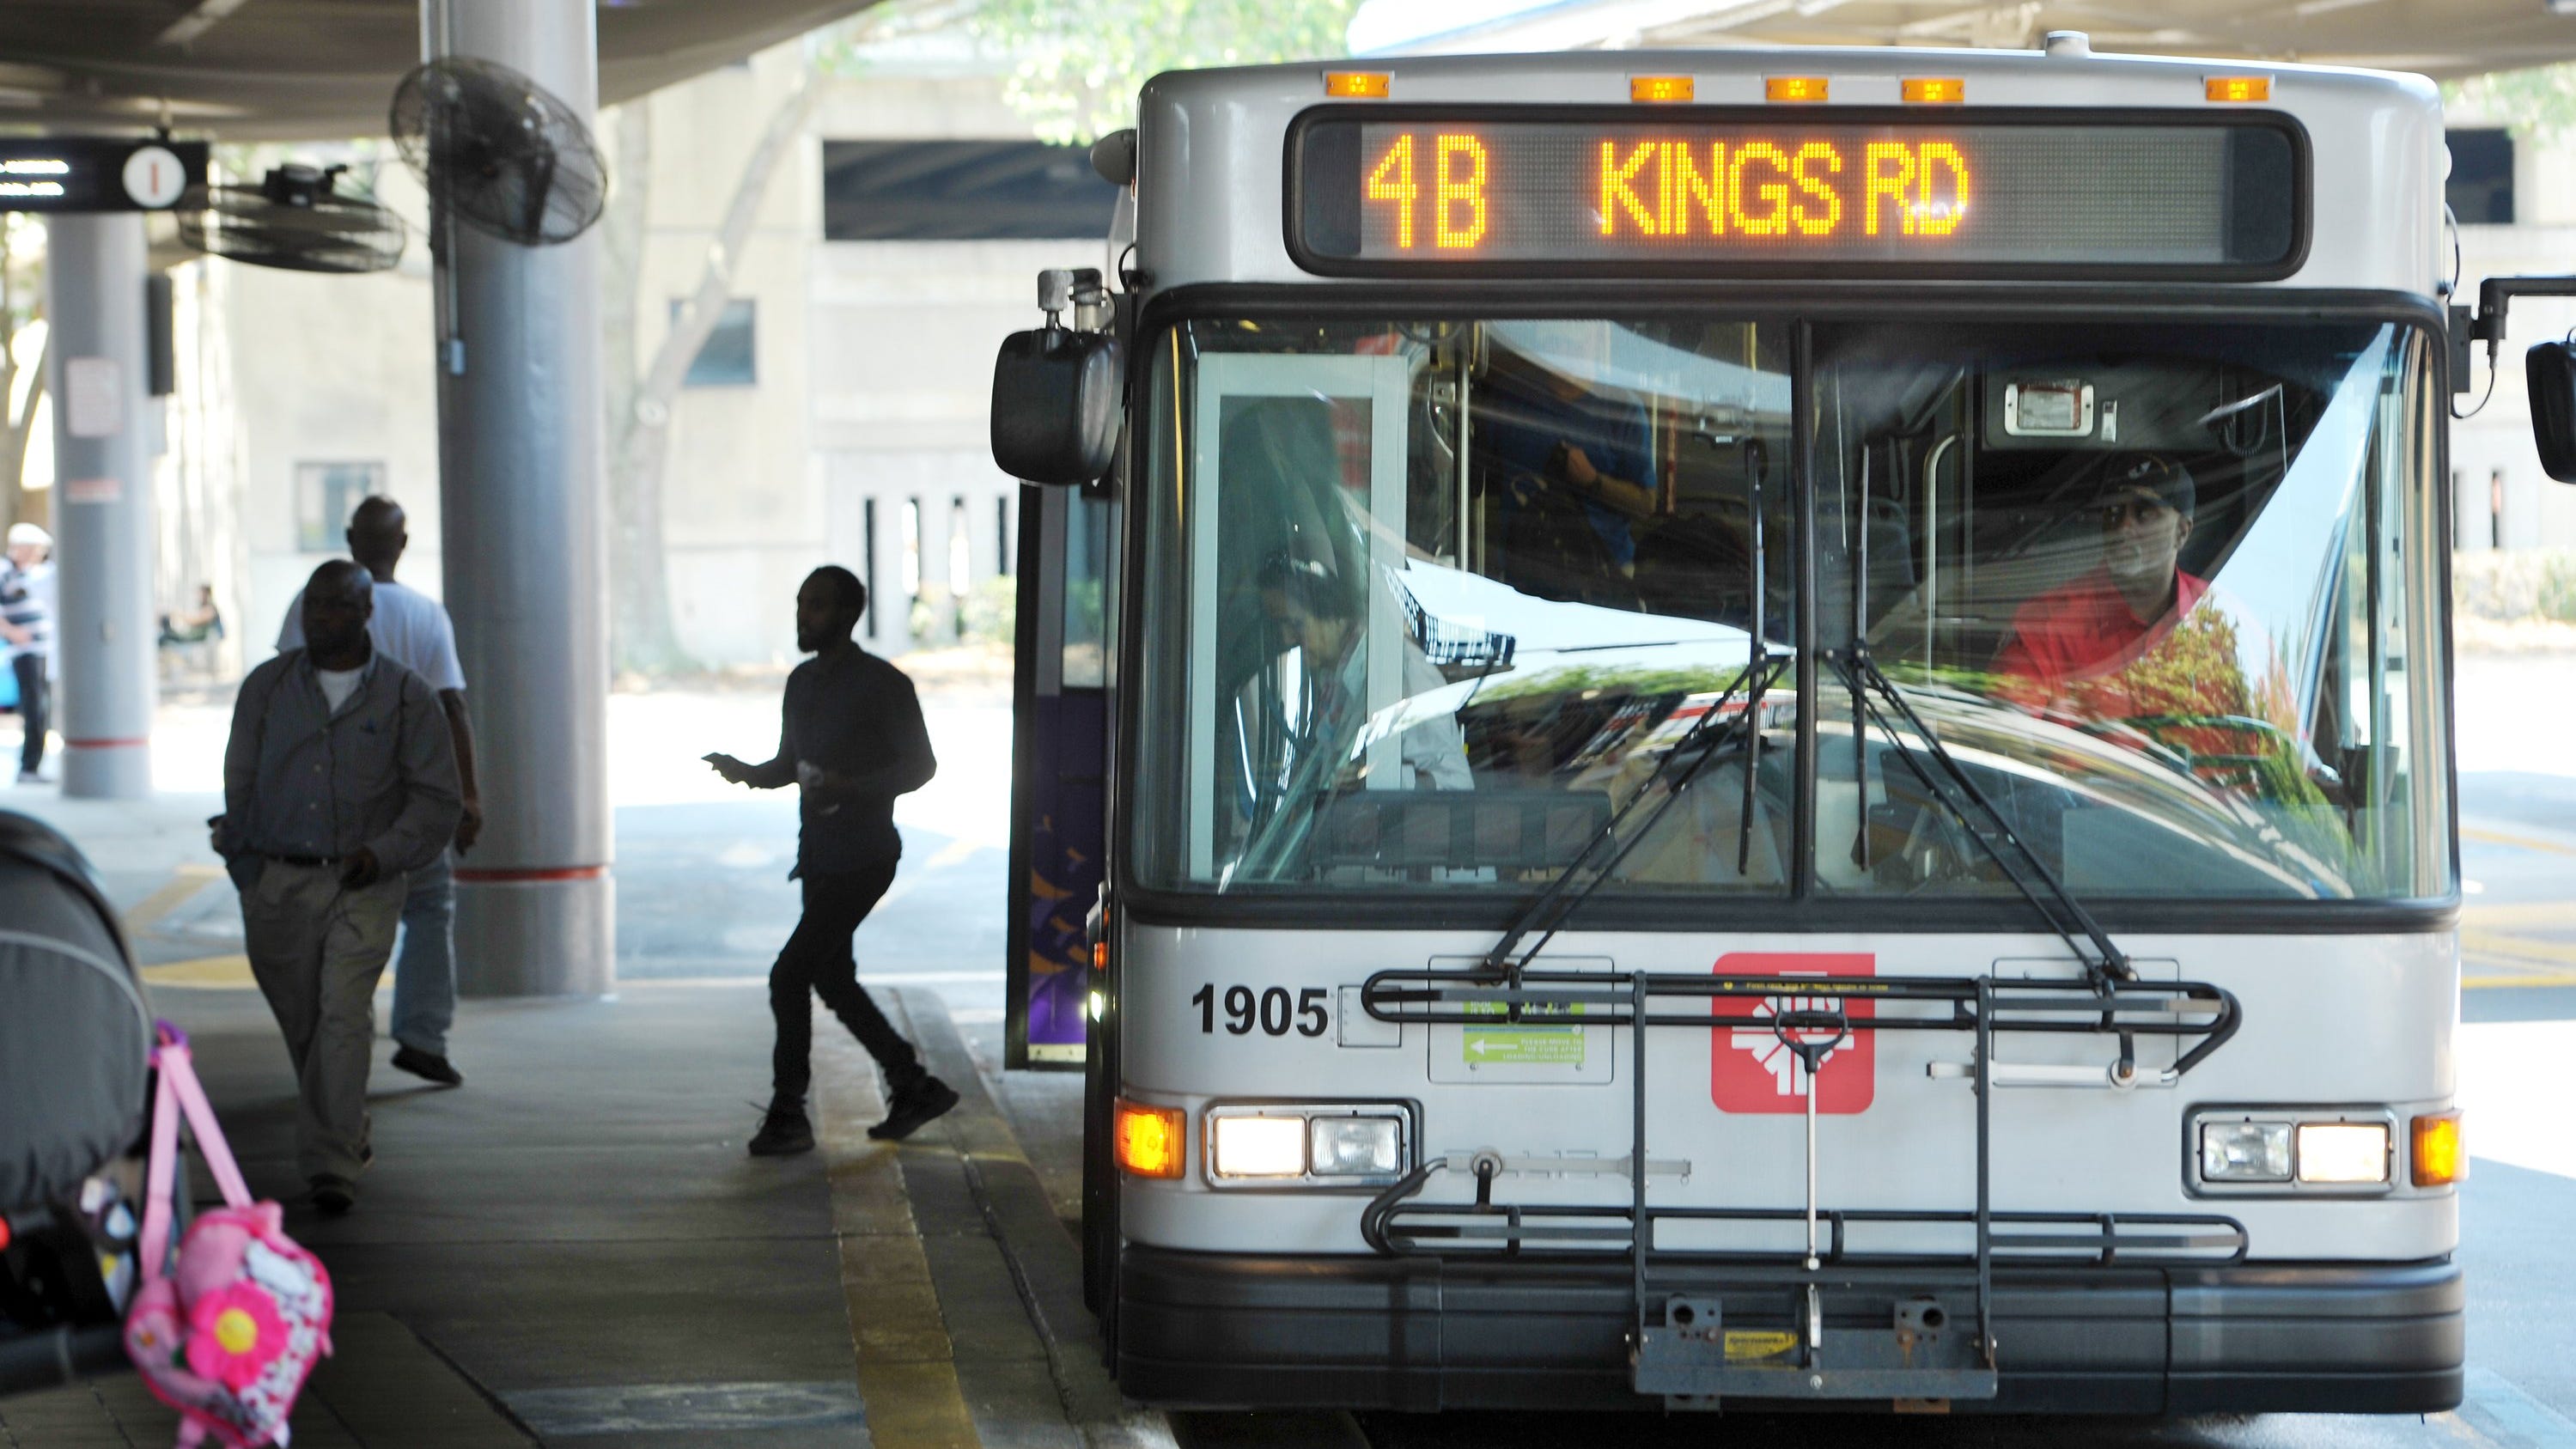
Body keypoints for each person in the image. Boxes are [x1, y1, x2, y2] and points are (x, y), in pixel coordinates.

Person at [216, 561, 461, 1215]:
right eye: (313, 606)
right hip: (276, 883)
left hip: (364, 886)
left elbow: (437, 800)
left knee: (344, 1014)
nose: (321, 618)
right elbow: (239, 781)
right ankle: (344, 1125)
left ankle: (330, 1166)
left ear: (365, 611)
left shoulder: (408, 697)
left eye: (337, 607)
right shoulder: (265, 689)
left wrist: (381, 855)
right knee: (306, 1025)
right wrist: (247, 868)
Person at [704, 566, 959, 1156]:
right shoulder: (801, 683)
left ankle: (789, 1112)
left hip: (864, 856)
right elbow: (788, 763)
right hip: (819, 857)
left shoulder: (882, 684)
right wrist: (746, 771)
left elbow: (920, 766)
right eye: (800, 604)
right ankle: (912, 1084)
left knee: (788, 975)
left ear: (846, 615)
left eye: (815, 606)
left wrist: (854, 785)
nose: (803, 616)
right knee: (832, 979)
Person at [277, 497, 481, 1088]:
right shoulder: (424, 614)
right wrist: (467, 797)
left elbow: (285, 698)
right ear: (404, 542)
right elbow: (453, 706)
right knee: (426, 911)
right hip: (410, 803)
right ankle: (419, 1035)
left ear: (349, 538)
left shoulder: (307, 606)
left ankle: (341, 1044)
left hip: (331, 799)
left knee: (338, 921)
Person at [1991, 454, 2209, 698]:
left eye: (2144, 513)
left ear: (2182, 533)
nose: (2123, 527)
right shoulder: (2048, 621)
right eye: (2114, 510)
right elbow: (2008, 725)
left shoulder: (2213, 610)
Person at [1255, 552, 1473, 793]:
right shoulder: (1338, 680)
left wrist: (1372, 780)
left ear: (1332, 612)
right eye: (1280, 627)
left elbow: (1456, 785)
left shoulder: (1403, 674)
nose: (1287, 639)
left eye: (1296, 625)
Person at [3, 522, 55, 783]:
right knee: (34, 708)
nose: (38, 555)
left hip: (40, 649)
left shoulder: (31, 574)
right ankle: (28, 767)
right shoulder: (5, 571)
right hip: (25, 651)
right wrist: (13, 633)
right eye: (35, 549)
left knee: (42, 708)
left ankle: (33, 765)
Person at [159, 584, 226, 646]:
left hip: (204, 642)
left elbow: (194, 621)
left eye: (201, 594)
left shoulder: (210, 609)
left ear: (206, 594)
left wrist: (176, 614)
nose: (199, 596)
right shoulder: (205, 607)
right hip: (198, 638)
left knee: (165, 638)